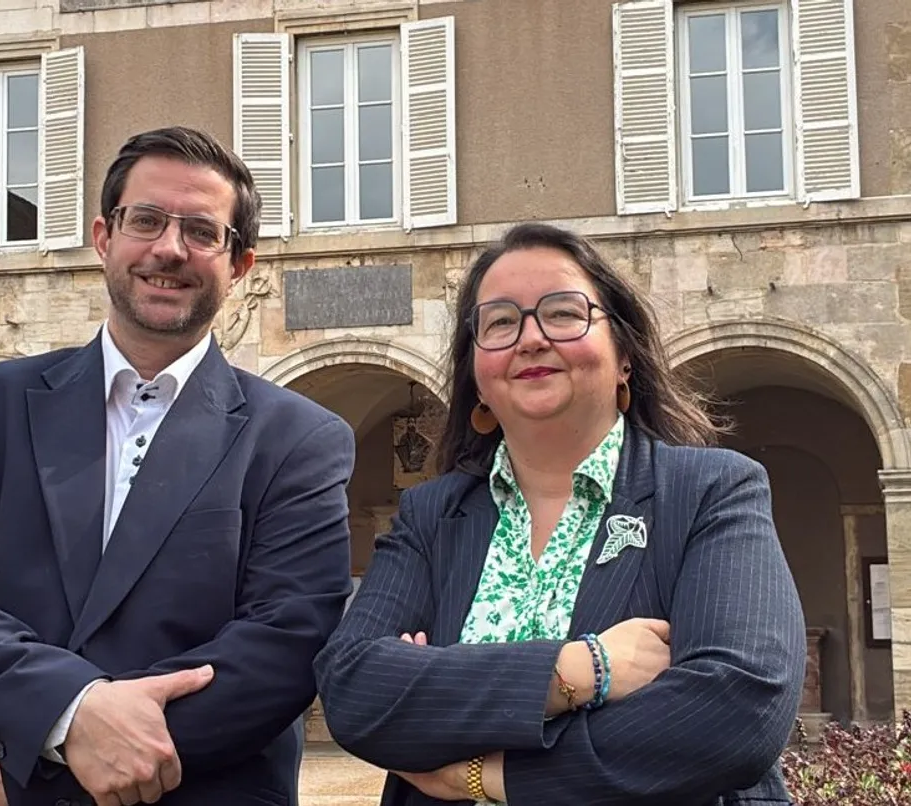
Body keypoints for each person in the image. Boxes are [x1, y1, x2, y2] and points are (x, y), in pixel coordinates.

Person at [0, 125, 356, 806]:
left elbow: (284, 647)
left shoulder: (299, 440)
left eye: (202, 231)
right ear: (104, 237)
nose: (169, 248)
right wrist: (68, 714)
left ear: (240, 265)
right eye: (146, 220)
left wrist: (41, 769)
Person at [313, 223, 806, 805]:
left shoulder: (711, 491)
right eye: (500, 322)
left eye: (564, 313)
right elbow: (354, 688)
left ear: (625, 357)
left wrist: (485, 773)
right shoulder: (431, 515)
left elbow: (739, 708)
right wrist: (583, 669)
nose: (530, 338)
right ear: (477, 378)